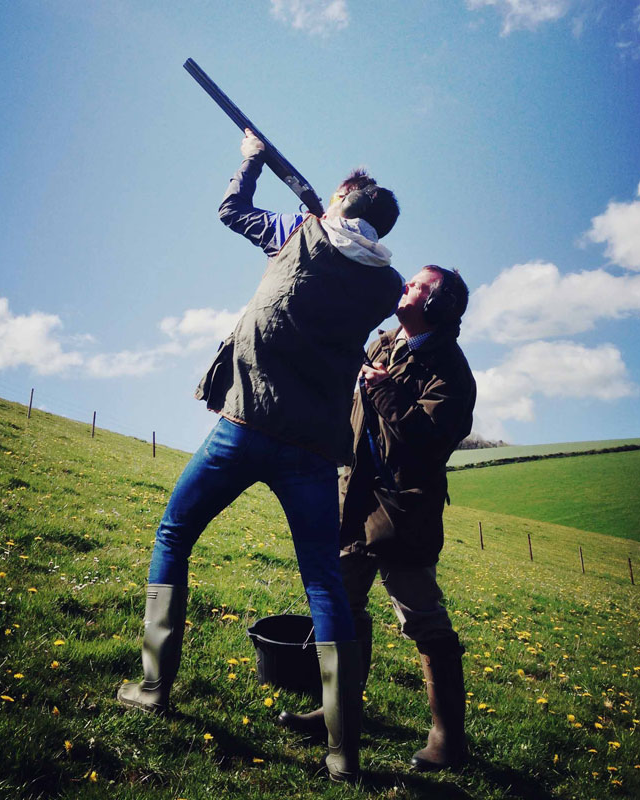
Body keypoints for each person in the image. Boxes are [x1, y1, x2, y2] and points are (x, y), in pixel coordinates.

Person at [117, 130, 404, 782]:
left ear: (341, 202)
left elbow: (230, 211)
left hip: (245, 424)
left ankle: (155, 688)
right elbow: (398, 294)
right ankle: (342, 752)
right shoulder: (387, 284)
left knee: (173, 533)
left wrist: (249, 161)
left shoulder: (297, 230)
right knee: (325, 585)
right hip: (311, 449)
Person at [278, 265, 477, 773]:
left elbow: (430, 441)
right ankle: (335, 711)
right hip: (353, 499)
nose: (404, 287)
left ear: (437, 304)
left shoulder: (451, 370)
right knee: (342, 609)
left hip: (403, 510)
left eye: (416, 285)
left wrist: (385, 391)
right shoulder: (382, 343)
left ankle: (447, 737)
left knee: (422, 619)